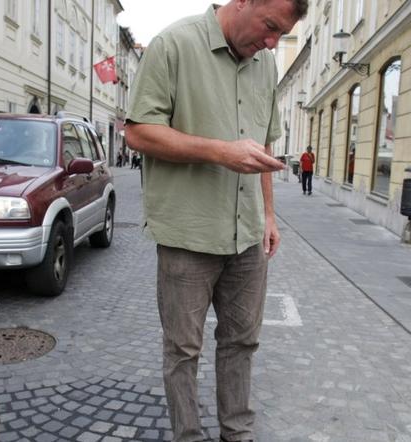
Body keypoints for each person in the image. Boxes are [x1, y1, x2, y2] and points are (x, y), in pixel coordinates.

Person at [124, 1, 307, 441]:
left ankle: (236, 434)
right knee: (183, 350)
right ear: (242, 2)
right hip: (187, 234)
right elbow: (138, 131)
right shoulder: (174, 44)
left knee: (242, 342)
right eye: (269, 27)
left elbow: (263, 146)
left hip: (246, 234)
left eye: (281, 35)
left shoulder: (264, 65)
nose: (271, 43)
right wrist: (220, 151)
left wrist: (268, 215)